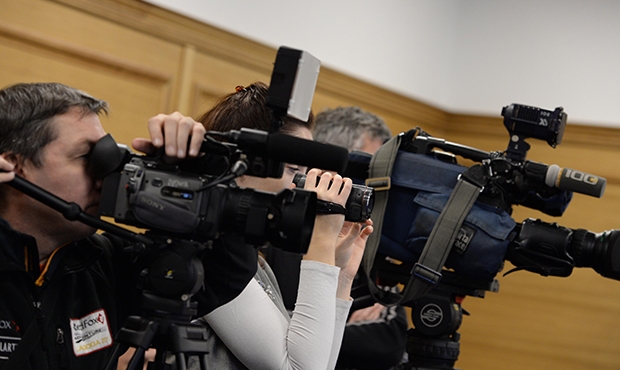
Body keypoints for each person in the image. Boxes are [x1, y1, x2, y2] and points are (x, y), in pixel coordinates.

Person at [0, 82, 221, 370]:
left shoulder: (101, 264)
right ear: (16, 165)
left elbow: (220, 275)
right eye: (86, 158)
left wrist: (206, 173)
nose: (105, 177)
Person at [189, 82, 373, 370]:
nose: (302, 188)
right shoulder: (214, 252)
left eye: (305, 172)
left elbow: (320, 365)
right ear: (241, 167)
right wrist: (321, 240)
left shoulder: (251, 256)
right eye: (292, 171)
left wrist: (341, 274)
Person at [265, 106, 409, 370]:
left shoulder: (362, 235)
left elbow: (389, 340)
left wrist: (311, 327)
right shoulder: (279, 229)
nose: (370, 189)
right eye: (365, 170)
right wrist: (334, 323)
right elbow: (282, 346)